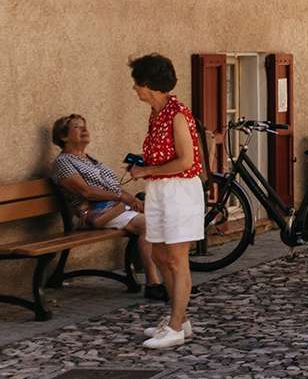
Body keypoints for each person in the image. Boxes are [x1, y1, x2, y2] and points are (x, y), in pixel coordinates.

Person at [129, 53, 204, 350]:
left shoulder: (176, 113)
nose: (134, 89)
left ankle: (175, 326)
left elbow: (186, 160)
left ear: (149, 84)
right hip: (160, 190)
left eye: (137, 83)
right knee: (160, 256)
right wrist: (144, 167)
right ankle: (180, 319)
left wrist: (147, 169)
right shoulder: (156, 113)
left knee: (176, 258)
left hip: (179, 191)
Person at [48, 114, 160, 298]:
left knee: (165, 215)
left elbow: (111, 187)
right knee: (150, 224)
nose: (85, 130)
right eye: (77, 127)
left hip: (115, 208)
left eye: (85, 126)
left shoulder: (90, 159)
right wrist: (122, 197)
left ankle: (175, 279)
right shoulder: (63, 162)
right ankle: (154, 283)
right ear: (64, 137)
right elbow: (86, 192)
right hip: (97, 212)